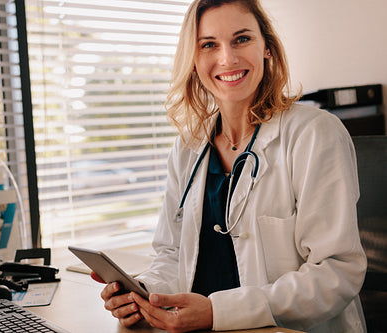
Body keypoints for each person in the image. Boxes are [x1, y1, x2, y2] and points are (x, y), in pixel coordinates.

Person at [91, 0, 367, 332]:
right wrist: (145, 294)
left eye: (242, 39)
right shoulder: (188, 147)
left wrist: (216, 311)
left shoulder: (313, 134)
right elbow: (171, 254)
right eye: (209, 45)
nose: (227, 58)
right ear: (193, 61)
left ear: (266, 47)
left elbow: (335, 272)